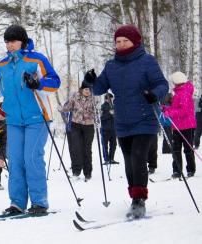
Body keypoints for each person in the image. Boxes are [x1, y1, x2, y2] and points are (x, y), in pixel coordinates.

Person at [84, 24, 168, 218]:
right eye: (118, 42)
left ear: (135, 41)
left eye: (125, 41)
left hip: (145, 117)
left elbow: (162, 84)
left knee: (139, 156)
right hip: (122, 121)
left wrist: (154, 94)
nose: (121, 45)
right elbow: (99, 89)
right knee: (129, 161)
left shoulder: (147, 61)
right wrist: (90, 80)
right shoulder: (111, 65)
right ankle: (133, 196)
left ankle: (139, 200)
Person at [0, 25, 61, 214]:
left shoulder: (36, 59)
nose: (10, 45)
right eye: (7, 41)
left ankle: (39, 202)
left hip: (38, 118)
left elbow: (55, 82)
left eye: (13, 41)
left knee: (32, 158)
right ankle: (17, 203)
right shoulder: (2, 66)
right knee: (15, 161)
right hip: (13, 120)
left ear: (22, 41)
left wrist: (38, 83)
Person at [59, 81, 95, 181]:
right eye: (86, 89)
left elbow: (97, 111)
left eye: (89, 89)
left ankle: (88, 173)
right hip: (76, 125)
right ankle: (76, 171)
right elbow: (67, 107)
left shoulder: (93, 98)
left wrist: (96, 115)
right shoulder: (75, 96)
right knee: (76, 148)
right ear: (82, 89)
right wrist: (61, 108)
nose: (88, 91)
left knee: (87, 149)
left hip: (89, 126)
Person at [163, 71, 196, 178]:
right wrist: (166, 109)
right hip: (177, 126)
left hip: (187, 125)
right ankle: (177, 170)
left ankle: (190, 169)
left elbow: (184, 111)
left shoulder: (184, 92)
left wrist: (170, 113)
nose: (172, 83)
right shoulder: (178, 93)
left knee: (187, 149)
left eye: (173, 81)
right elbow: (176, 108)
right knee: (176, 149)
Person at [100, 92, 119, 165]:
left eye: (112, 98)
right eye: (110, 98)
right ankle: (106, 159)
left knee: (113, 144)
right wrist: (109, 113)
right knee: (105, 145)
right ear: (106, 99)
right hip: (105, 129)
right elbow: (102, 118)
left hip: (113, 129)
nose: (111, 100)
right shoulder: (103, 107)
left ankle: (111, 158)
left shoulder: (114, 106)